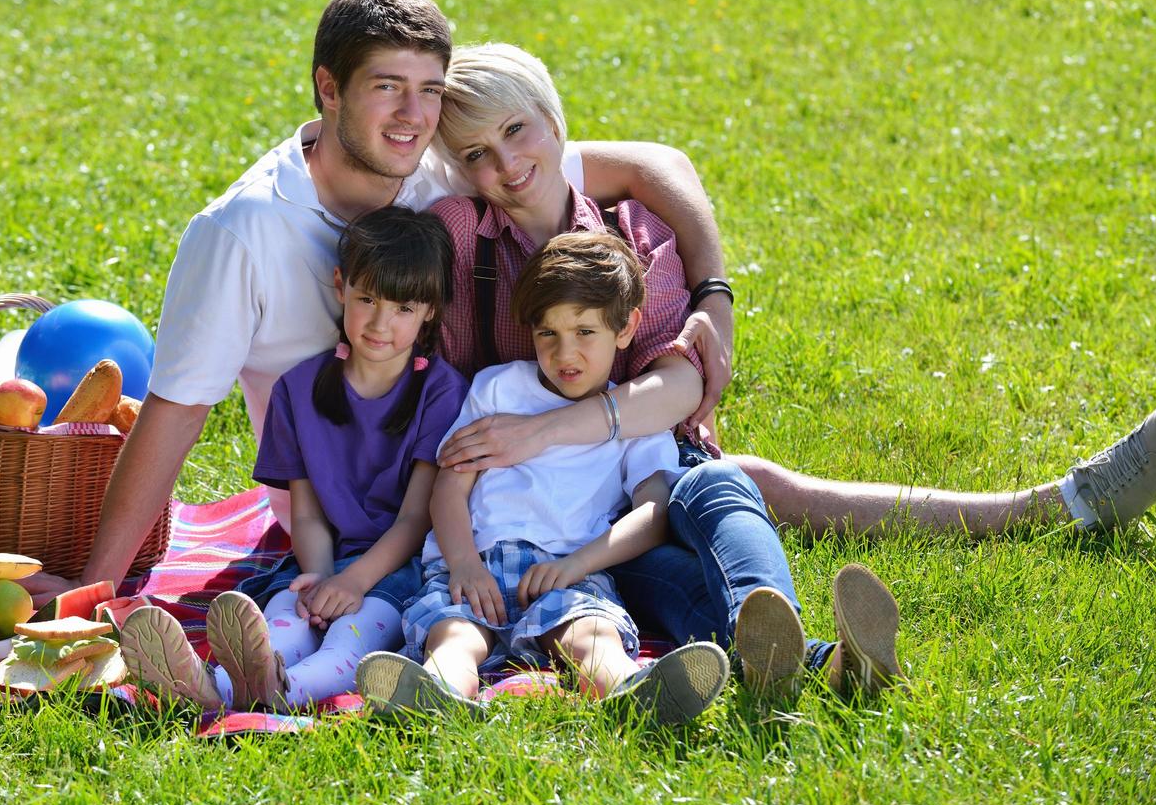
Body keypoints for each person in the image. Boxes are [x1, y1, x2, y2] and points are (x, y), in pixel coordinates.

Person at [418, 41, 1156, 681]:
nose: (507, 165)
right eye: (477, 155)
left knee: (729, 482)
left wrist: (548, 432)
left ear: (555, 127)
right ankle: (818, 664)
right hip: (535, 519)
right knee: (688, 575)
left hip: (638, 484)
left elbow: (677, 382)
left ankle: (1050, 505)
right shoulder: (458, 237)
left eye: (518, 132)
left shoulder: (631, 230)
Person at [75, 0, 737, 589]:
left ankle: (794, 609)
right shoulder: (241, 231)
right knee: (685, 507)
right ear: (328, 89)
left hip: (485, 469)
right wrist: (92, 586)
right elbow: (177, 409)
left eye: (429, 90)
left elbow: (656, 163)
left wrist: (713, 296)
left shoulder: (448, 165)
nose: (412, 115)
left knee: (700, 489)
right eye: (386, 87)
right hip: (344, 523)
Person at [355, 233, 902, 725]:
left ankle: (637, 691)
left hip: (568, 567)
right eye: (546, 333)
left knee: (593, 640)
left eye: (585, 331)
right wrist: (464, 564)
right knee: (454, 636)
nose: (564, 352)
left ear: (627, 328)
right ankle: (436, 694)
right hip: (478, 561)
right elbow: (450, 485)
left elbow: (655, 512)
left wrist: (578, 563)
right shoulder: (499, 388)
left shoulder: (634, 418)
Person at [119, 207, 469, 711]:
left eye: (403, 308)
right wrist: (321, 577)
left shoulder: (440, 392)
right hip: (316, 559)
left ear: (431, 311)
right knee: (285, 623)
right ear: (339, 285)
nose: (380, 323)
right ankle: (215, 682)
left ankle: (259, 694)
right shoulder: (298, 390)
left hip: (397, 571)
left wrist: (351, 581)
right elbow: (305, 513)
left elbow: (417, 519)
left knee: (347, 640)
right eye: (367, 298)